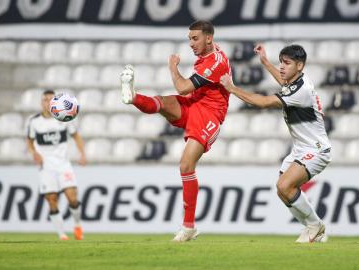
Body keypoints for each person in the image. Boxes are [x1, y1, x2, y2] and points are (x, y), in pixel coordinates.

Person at [120, 20, 231, 242]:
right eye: (189, 38)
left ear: (208, 38)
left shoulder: (215, 62)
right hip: (195, 105)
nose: (190, 43)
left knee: (186, 165)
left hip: (210, 115)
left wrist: (172, 66)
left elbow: (182, 87)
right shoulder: (211, 51)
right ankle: (132, 97)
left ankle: (188, 226)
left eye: (195, 38)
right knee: (162, 102)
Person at [220, 44, 331, 243]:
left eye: (286, 63)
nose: (281, 67)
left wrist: (232, 88)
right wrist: (265, 62)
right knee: (282, 191)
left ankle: (315, 226)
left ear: (299, 65)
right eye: (281, 62)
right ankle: (313, 229)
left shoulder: (301, 90)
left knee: (285, 185)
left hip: (316, 150)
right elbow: (283, 81)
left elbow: (262, 102)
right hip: (301, 148)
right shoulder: (296, 81)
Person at [26, 90, 87, 240]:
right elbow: (29, 140)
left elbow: (76, 136)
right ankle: (61, 234)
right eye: (45, 100)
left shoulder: (65, 118)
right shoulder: (34, 122)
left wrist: (82, 154)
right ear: (41, 103)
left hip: (63, 164)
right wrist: (34, 153)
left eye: (50, 99)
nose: (47, 102)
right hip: (46, 167)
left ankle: (77, 225)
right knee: (52, 199)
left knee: (72, 197)